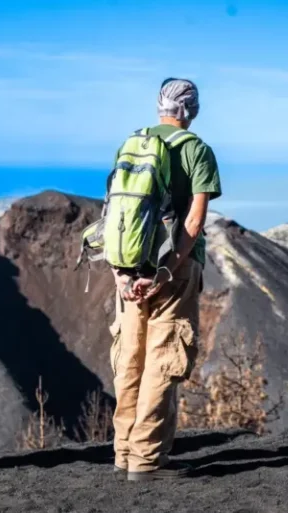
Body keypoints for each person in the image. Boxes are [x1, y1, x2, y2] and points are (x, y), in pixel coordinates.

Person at [109, 77, 222, 481]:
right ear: (190, 109)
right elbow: (194, 219)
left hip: (129, 268)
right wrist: (167, 269)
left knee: (130, 360)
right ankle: (146, 460)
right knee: (163, 359)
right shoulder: (196, 150)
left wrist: (123, 274)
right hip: (172, 271)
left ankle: (123, 452)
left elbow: (115, 217)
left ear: (160, 107)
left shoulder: (132, 144)